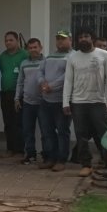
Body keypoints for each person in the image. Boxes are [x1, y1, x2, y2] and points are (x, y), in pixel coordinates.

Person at [63, 30, 107, 177]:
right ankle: (86, 164)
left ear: (92, 38)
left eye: (86, 36)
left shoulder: (103, 55)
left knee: (105, 133)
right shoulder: (72, 57)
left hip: (98, 101)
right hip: (78, 102)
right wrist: (65, 102)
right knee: (81, 135)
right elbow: (68, 80)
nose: (83, 39)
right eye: (80, 37)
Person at [37, 30, 73, 172]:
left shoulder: (72, 56)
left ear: (70, 40)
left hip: (61, 101)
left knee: (62, 131)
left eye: (63, 39)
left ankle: (61, 159)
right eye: (58, 39)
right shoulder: (49, 56)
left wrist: (51, 86)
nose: (60, 42)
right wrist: (42, 83)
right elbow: (40, 71)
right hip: (46, 101)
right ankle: (50, 158)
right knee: (47, 131)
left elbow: (68, 76)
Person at [14, 38, 46, 165]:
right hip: (27, 102)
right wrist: (17, 98)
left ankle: (47, 155)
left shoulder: (46, 62)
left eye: (35, 47)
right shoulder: (24, 63)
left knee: (45, 131)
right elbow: (20, 82)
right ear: (27, 49)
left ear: (40, 47)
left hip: (44, 103)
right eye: (30, 48)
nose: (33, 50)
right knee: (27, 130)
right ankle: (30, 155)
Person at [0, 30, 27, 156]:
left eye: (11, 40)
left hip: (19, 94)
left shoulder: (24, 55)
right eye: (6, 40)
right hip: (5, 93)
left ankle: (20, 149)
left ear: (17, 41)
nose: (8, 42)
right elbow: (3, 71)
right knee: (8, 122)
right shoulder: (2, 57)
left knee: (18, 122)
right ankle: (10, 148)